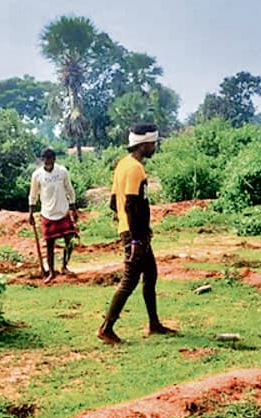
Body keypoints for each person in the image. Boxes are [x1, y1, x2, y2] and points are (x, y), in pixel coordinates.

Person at [97, 123, 175, 344]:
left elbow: (114, 202)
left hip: (136, 231)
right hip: (135, 234)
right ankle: (106, 328)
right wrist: (136, 238)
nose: (155, 147)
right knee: (130, 280)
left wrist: (130, 225)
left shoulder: (123, 165)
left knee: (150, 276)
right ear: (144, 144)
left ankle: (154, 324)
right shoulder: (134, 169)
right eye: (154, 143)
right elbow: (131, 204)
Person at [29, 147, 78, 282]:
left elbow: (69, 189)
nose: (48, 161)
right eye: (45, 159)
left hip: (63, 211)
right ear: (42, 160)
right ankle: (51, 272)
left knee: (70, 240)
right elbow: (33, 194)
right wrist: (31, 212)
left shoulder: (62, 171)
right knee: (49, 244)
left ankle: (64, 266)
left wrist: (73, 207)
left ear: (54, 159)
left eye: (50, 158)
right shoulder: (37, 175)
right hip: (47, 213)